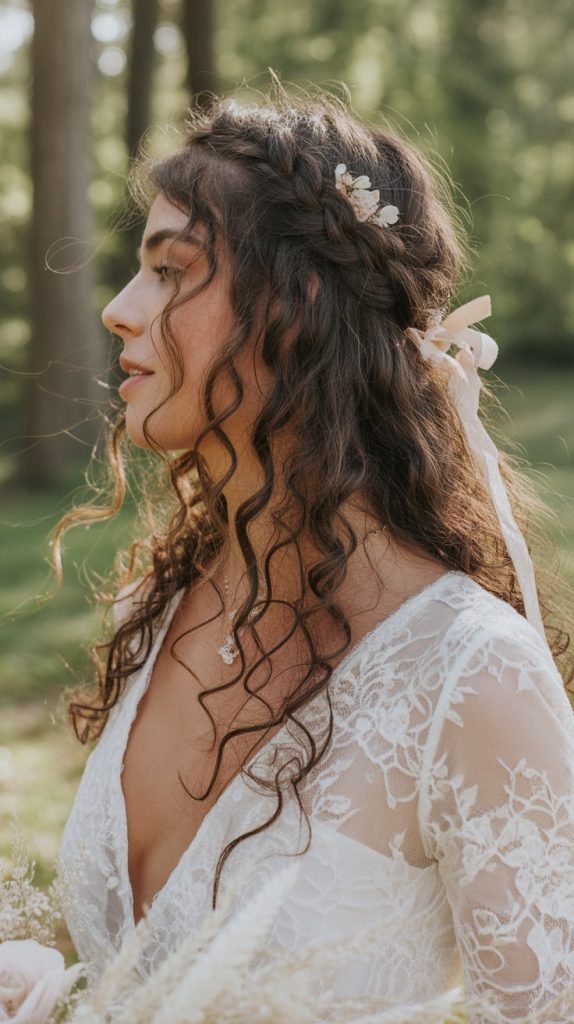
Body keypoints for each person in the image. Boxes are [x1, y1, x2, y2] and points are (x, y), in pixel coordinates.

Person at [56, 84, 574, 1021]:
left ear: (295, 306)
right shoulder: (157, 608)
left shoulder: (473, 679)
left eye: (172, 272)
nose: (122, 311)